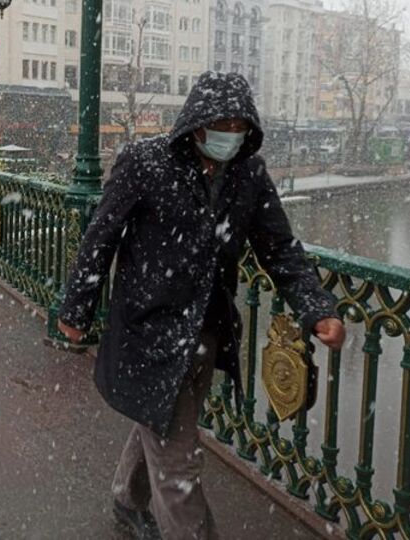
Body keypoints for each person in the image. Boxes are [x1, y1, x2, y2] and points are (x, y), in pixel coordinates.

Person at [55, 71, 346, 540]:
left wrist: (316, 308)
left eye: (239, 126)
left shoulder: (249, 175)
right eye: (221, 124)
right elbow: (100, 237)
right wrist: (75, 310)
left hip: (206, 331)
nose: (229, 135)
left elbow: (280, 249)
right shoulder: (145, 162)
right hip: (148, 331)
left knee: (160, 418)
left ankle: (126, 499)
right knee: (179, 466)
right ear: (195, 122)